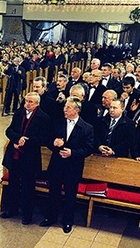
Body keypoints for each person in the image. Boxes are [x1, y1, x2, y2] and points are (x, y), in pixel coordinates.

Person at [40, 96, 94, 234]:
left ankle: (68, 221)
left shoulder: (87, 128)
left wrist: (72, 153)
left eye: (68, 108)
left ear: (76, 110)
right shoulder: (58, 123)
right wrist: (54, 143)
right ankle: (50, 217)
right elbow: (47, 138)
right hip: (57, 164)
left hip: (73, 167)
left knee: (70, 195)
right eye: (65, 107)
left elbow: (88, 148)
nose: (65, 110)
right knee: (53, 192)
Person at [0, 92, 50, 225]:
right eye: (26, 101)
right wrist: (16, 139)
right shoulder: (18, 113)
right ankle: (12, 209)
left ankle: (27, 215)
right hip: (15, 154)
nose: (27, 104)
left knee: (28, 187)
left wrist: (26, 141)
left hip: (29, 157)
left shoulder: (43, 118)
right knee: (13, 184)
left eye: (30, 102)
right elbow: (9, 130)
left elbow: (44, 138)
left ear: (37, 103)